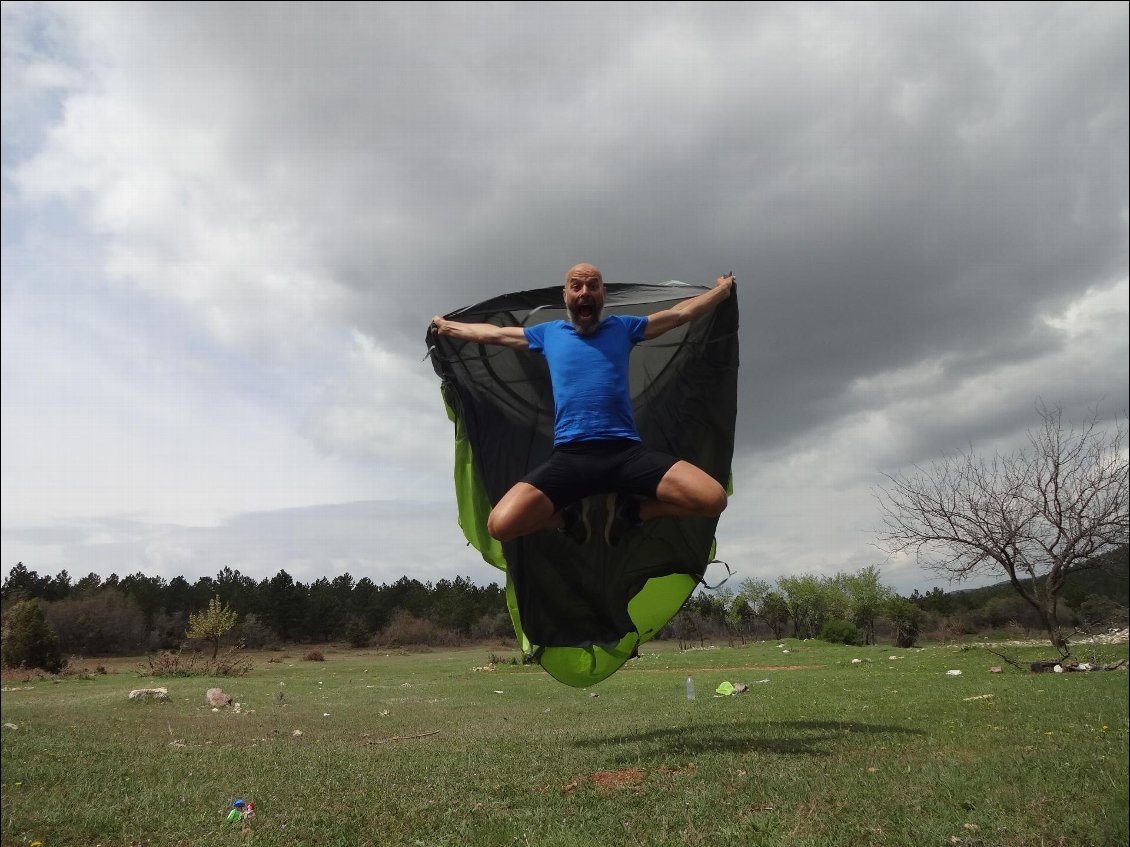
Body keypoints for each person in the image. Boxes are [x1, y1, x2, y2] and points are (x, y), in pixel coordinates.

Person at [430, 263, 734, 546]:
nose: (585, 292)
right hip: (571, 459)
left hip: (626, 454)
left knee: (713, 499)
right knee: (500, 526)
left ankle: (633, 513)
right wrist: (447, 327)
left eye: (592, 285)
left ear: (603, 294)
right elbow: (495, 334)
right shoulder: (549, 333)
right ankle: (569, 517)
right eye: (576, 286)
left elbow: (679, 315)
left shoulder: (622, 328)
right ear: (566, 295)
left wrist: (721, 291)